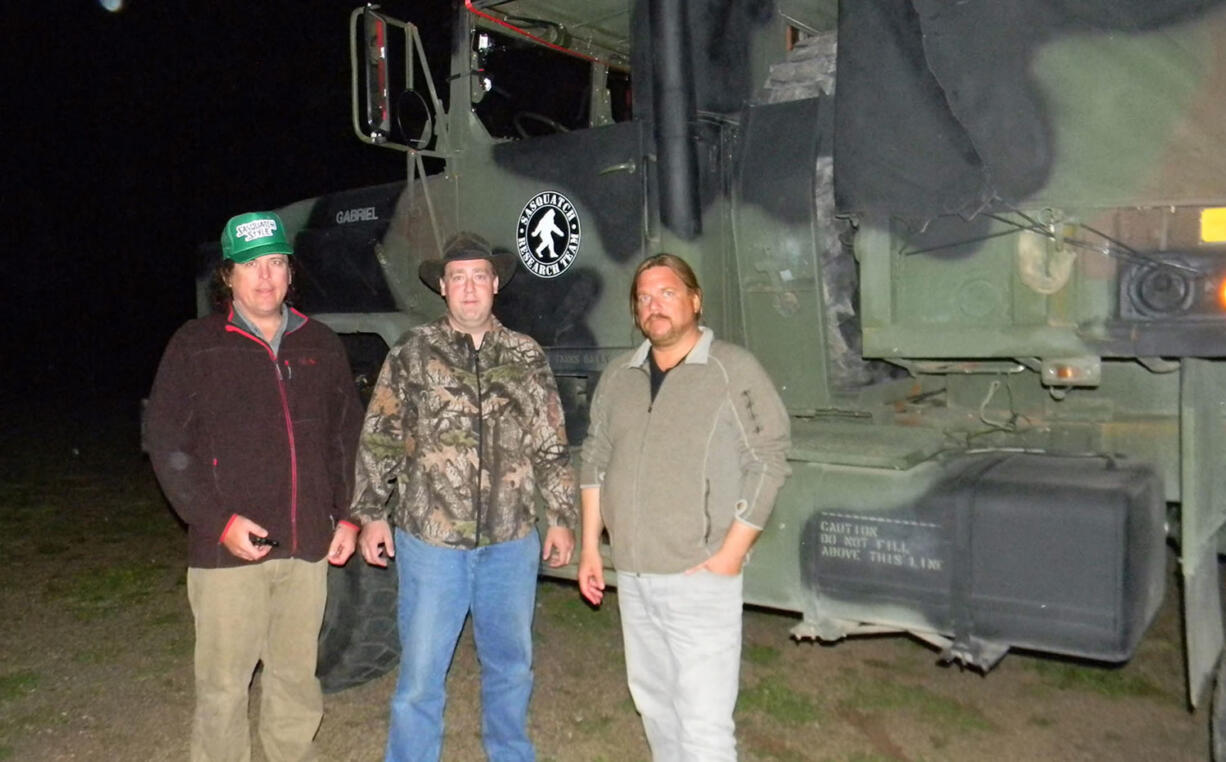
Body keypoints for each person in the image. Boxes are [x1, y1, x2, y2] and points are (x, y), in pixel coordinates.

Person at [145, 211, 364, 762]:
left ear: (289, 272)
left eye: (275, 263)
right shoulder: (196, 345)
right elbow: (167, 444)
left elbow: (347, 436)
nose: (264, 277)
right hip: (227, 553)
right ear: (229, 277)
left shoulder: (321, 343)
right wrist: (217, 521)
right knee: (223, 687)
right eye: (250, 266)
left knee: (295, 678)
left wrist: (349, 515)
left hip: (308, 545)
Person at [351, 232, 577, 762]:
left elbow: (550, 439)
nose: (469, 288)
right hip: (431, 544)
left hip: (510, 542)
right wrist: (369, 513)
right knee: (421, 675)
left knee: (511, 667)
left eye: (479, 276)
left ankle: (510, 753)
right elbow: (380, 432)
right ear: (443, 288)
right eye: (458, 277)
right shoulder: (412, 351)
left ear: (495, 284)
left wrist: (562, 517)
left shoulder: (526, 354)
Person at [577, 253, 791, 761]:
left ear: (695, 300)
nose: (655, 306)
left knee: (704, 725)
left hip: (699, 578)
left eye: (667, 293)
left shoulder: (732, 369)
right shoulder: (619, 375)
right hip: (632, 575)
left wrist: (731, 553)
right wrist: (591, 547)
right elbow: (594, 460)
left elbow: (769, 458)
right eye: (644, 298)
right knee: (655, 708)